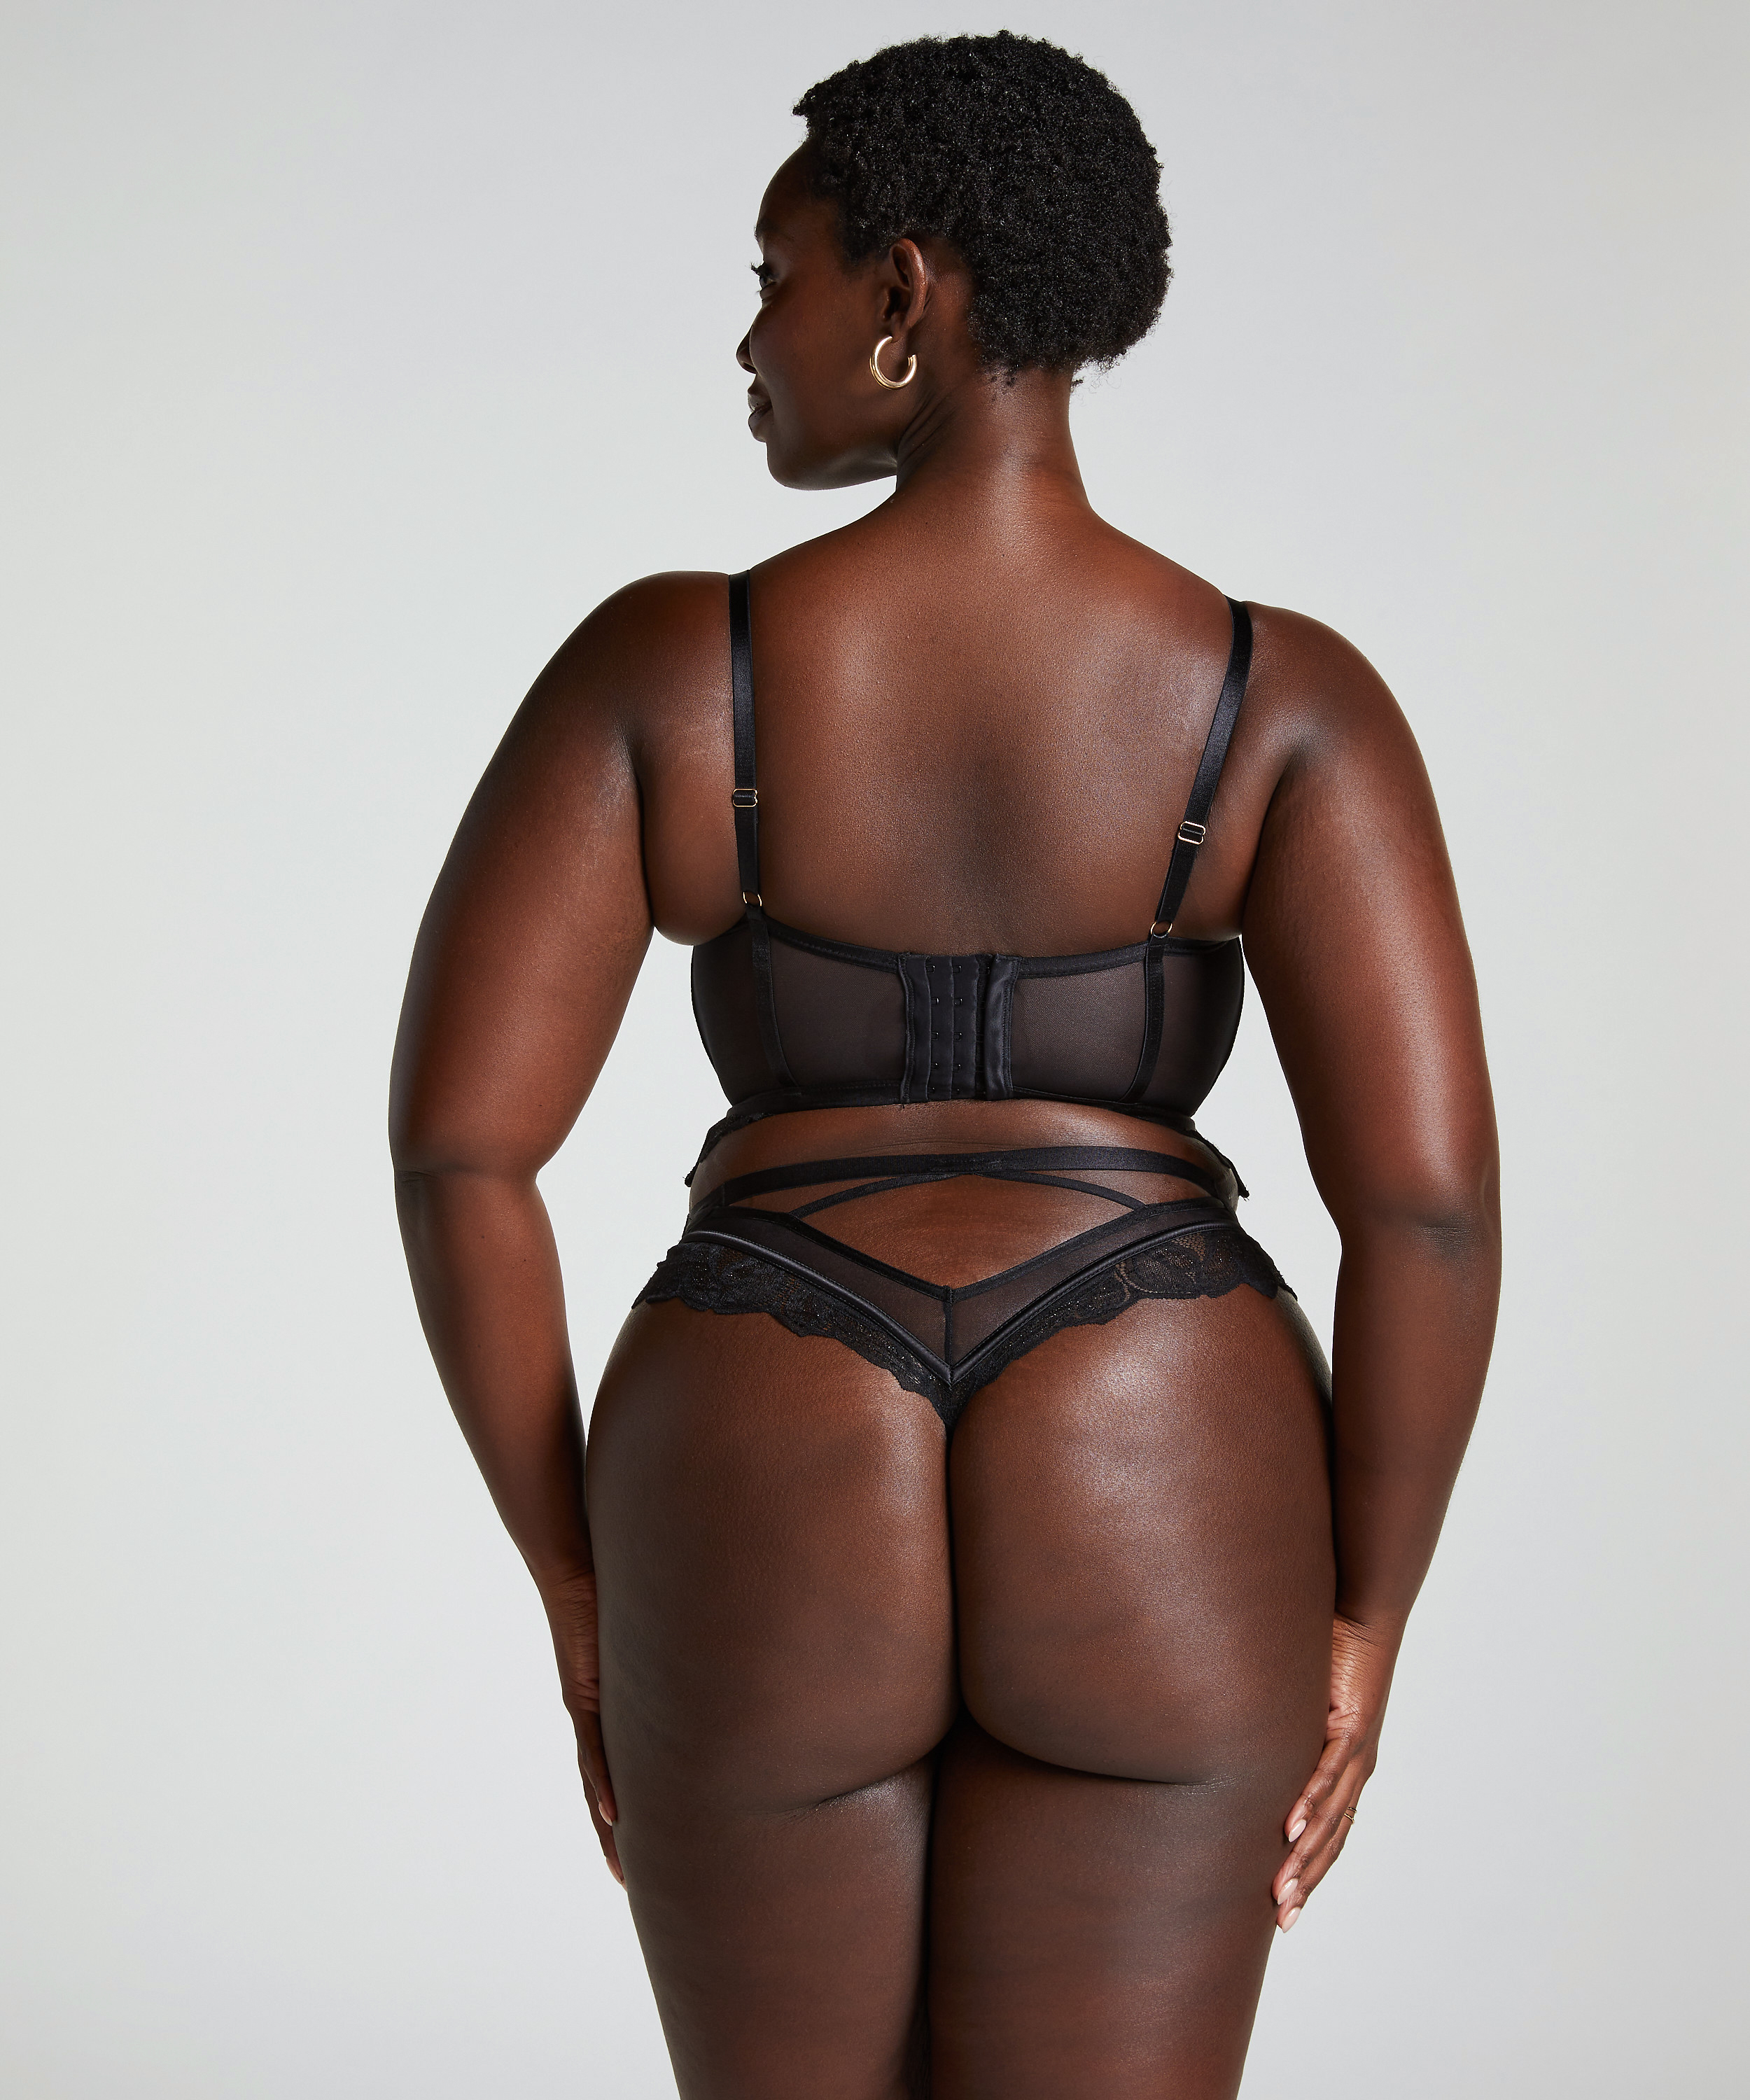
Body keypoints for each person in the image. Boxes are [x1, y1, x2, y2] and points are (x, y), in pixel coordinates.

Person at [390, 31, 1499, 2099]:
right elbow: (1425, 1209)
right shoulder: (1284, 699)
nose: (751, 338)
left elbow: (462, 1153)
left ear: (903, 291)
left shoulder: (669, 667)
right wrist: (1368, 1618)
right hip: (1162, 1442)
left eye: (774, 276)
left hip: (763, 1430)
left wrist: (573, 1579)